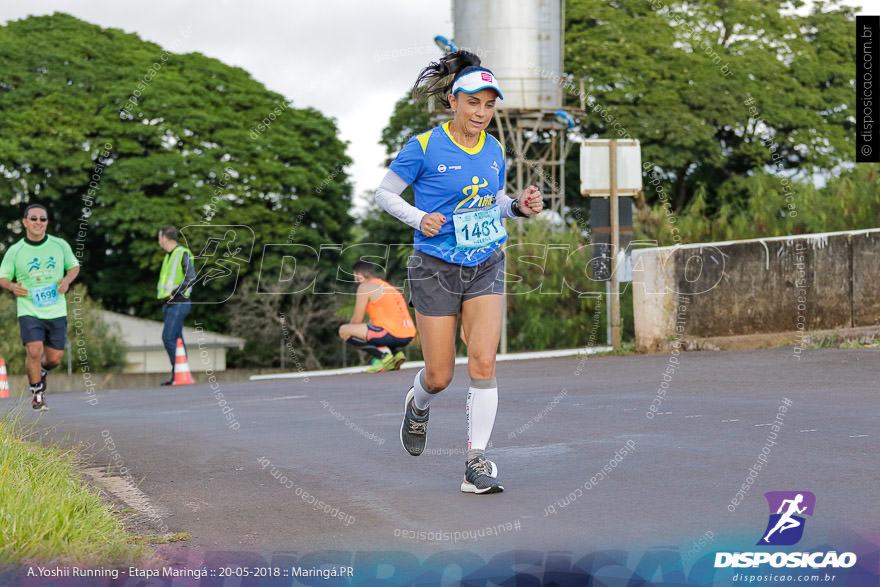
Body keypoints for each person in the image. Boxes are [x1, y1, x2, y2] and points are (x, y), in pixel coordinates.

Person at [375, 51, 543, 494]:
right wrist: (418, 218)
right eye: (474, 103)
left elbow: (496, 200)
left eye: (489, 105)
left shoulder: (494, 149)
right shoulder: (424, 146)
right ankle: (418, 403)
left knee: (484, 360)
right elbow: (385, 194)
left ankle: (476, 462)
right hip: (435, 267)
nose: (482, 113)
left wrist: (518, 208)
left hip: (486, 259)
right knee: (440, 375)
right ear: (453, 100)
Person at [0, 204, 80, 410]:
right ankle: (37, 394)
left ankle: (42, 370)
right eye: (33, 218)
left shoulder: (59, 245)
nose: (38, 222)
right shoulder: (15, 251)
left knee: (54, 359)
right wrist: (11, 286)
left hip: (56, 310)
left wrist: (67, 280)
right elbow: (3, 277)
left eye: (42, 219)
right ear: (25, 222)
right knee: (34, 351)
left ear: (47, 223)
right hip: (29, 309)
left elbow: (74, 267)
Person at [338, 261, 416, 373]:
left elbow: (357, 320)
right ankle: (396, 354)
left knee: (344, 331)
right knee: (372, 328)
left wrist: (353, 329)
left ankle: (383, 357)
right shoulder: (387, 286)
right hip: (408, 334)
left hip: (391, 334)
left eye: (355, 275)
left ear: (359, 275)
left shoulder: (364, 287)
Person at [156, 226, 196, 385]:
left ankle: (179, 372)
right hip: (168, 303)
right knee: (177, 338)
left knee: (168, 337)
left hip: (178, 302)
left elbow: (191, 277)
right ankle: (179, 374)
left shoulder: (182, 253)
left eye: (159, 237)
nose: (158, 241)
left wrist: (175, 293)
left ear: (164, 238)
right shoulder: (168, 257)